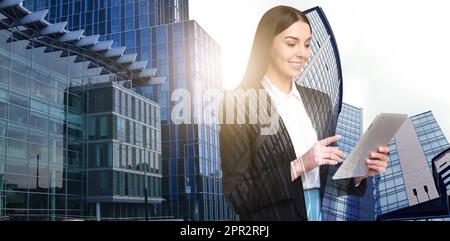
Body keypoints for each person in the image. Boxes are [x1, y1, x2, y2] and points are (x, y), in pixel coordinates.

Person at [219, 5, 389, 221]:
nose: (303, 53)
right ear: (267, 45)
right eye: (291, 44)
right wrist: (298, 165)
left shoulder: (319, 102)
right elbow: (237, 194)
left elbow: (328, 177)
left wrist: (360, 173)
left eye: (307, 44)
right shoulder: (238, 104)